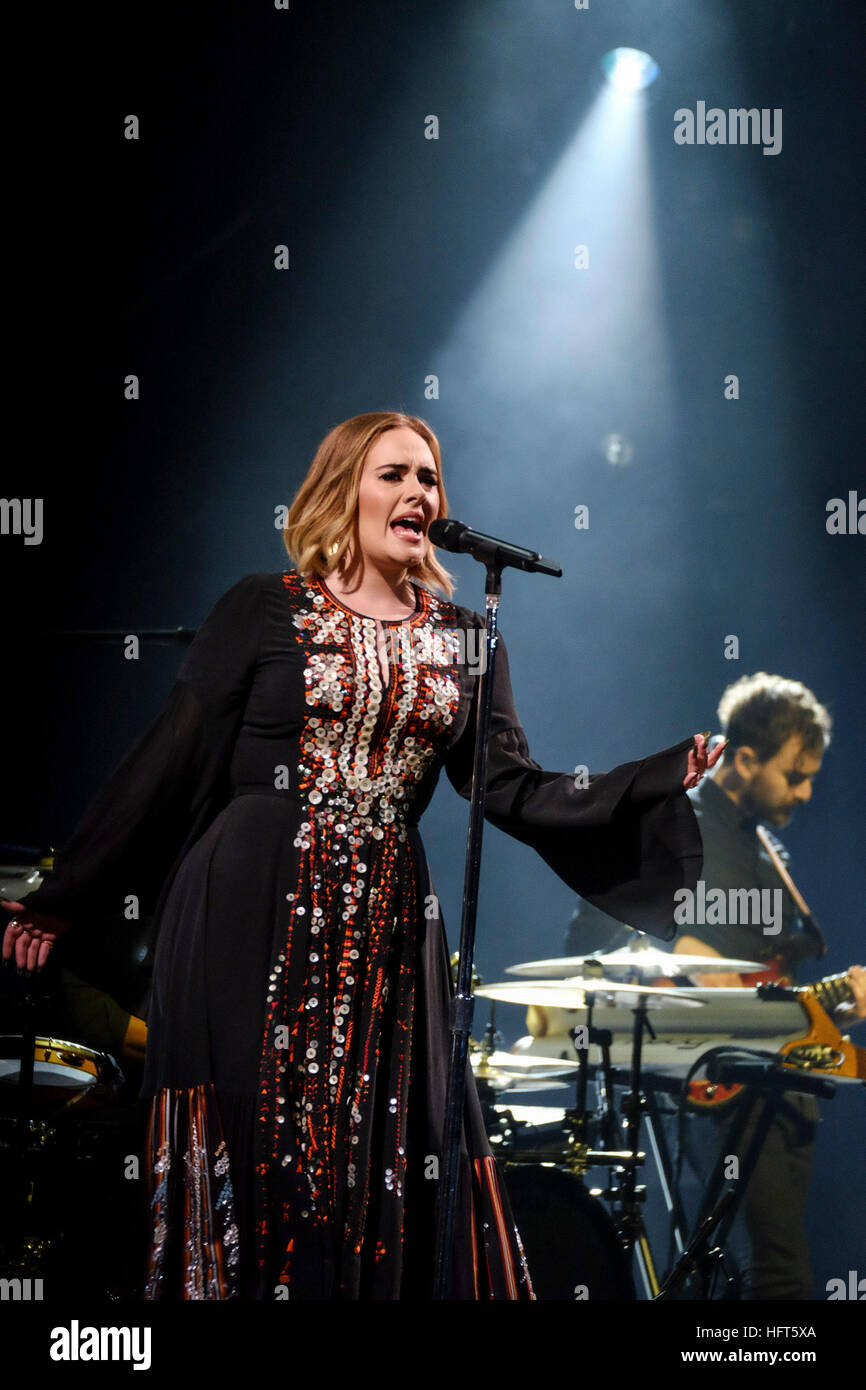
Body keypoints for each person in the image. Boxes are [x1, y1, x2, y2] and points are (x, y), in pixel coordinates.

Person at [2, 410, 719, 1300]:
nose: (419, 493)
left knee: (376, 1156)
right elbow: (171, 757)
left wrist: (651, 779)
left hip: (386, 925)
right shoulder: (263, 606)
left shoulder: (467, 636)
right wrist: (69, 890)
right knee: (259, 1149)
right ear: (343, 490)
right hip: (247, 911)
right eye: (395, 474)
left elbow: (510, 786)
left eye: (429, 478)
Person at [563, 671, 866, 1299]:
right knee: (776, 1276)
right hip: (717, 1088)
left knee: (740, 1280)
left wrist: (835, 1006)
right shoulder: (677, 826)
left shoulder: (765, 849)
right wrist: (678, 955)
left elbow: (769, 987)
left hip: (781, 1083)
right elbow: (589, 942)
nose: (807, 792)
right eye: (795, 775)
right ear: (746, 759)